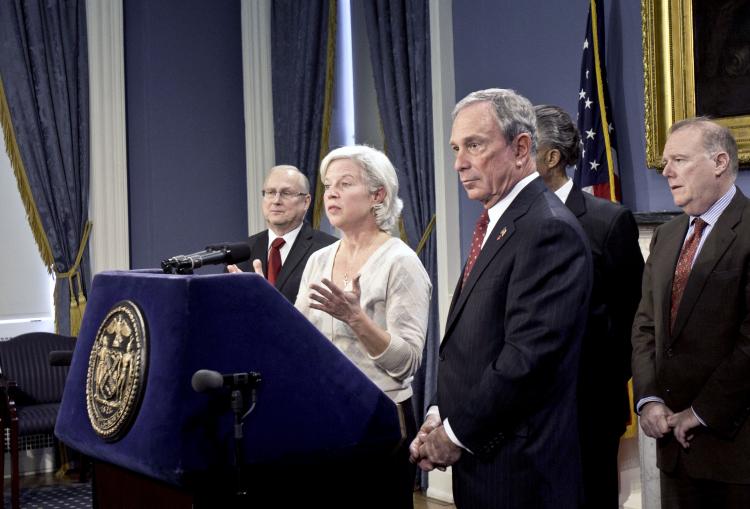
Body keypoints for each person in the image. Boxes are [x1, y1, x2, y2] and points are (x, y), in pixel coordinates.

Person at [409, 88, 592, 508]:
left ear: (522, 147)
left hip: (520, 471)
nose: (459, 162)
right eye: (457, 148)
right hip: (486, 459)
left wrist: (455, 435)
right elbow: (472, 343)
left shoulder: (547, 229)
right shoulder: (499, 219)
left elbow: (526, 359)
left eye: (474, 145)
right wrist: (439, 414)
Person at [295, 145, 431, 508]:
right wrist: (263, 305)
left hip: (380, 419)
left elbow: (407, 362)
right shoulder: (318, 260)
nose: (332, 193)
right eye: (328, 185)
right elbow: (300, 343)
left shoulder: (400, 263)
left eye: (345, 183)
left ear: (378, 195)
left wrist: (356, 319)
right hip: (324, 416)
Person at [631, 117, 750, 509]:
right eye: (666, 161)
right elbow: (645, 327)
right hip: (672, 449)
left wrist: (699, 413)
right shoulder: (666, 237)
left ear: (718, 163)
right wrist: (648, 399)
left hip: (733, 449)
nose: (666, 171)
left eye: (679, 160)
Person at [535, 104, 644, 508]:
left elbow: (633, 318)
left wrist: (596, 383)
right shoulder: (510, 220)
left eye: (525, 146)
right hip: (528, 411)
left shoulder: (607, 220)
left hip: (589, 407)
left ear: (551, 157)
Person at [228, 165, 336, 303]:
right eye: (270, 192)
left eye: (286, 193)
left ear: (306, 202)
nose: (276, 200)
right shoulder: (240, 254)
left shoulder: (329, 249)